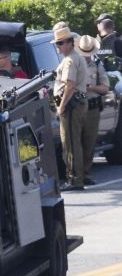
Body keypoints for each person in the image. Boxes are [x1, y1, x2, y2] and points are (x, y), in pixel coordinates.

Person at [52, 27, 88, 191]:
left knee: (70, 143)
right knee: (73, 142)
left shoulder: (70, 60)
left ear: (69, 43)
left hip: (72, 104)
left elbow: (70, 85)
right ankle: (75, 178)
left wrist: (61, 106)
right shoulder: (74, 57)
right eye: (57, 43)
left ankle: (74, 179)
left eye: (60, 43)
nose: (58, 47)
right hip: (77, 103)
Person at [76, 35, 109, 187]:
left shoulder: (97, 64)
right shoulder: (74, 63)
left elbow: (105, 88)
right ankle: (75, 174)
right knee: (75, 142)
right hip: (77, 106)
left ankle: (86, 174)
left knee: (89, 142)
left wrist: (92, 88)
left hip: (92, 107)